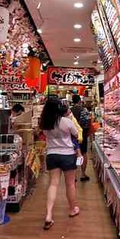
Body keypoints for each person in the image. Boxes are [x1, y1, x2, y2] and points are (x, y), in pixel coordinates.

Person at [40, 97, 81, 230]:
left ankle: (49, 214)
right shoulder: (66, 122)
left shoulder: (44, 123)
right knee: (70, 184)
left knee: (53, 184)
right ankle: (73, 208)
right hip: (68, 154)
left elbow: (45, 135)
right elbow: (76, 134)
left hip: (52, 154)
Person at [70, 94, 91, 181]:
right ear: (79, 101)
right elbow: (87, 122)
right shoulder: (84, 110)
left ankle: (74, 176)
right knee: (83, 153)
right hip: (82, 135)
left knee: (73, 154)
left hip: (71, 135)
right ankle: (83, 174)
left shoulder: (69, 111)